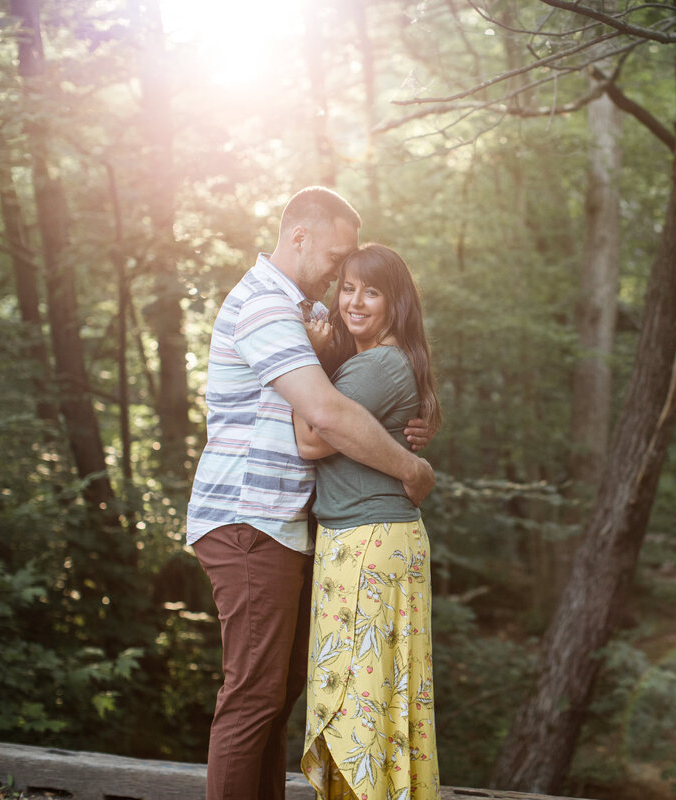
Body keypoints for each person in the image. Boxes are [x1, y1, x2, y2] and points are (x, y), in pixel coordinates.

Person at [186, 188, 435, 800]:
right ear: (298, 237)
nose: (340, 272)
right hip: (250, 519)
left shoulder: (300, 310)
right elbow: (323, 415)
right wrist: (409, 465)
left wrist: (406, 415)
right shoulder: (266, 307)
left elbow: (363, 375)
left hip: (283, 524)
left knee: (275, 695)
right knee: (254, 695)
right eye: (335, 256)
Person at [293, 244, 442, 800]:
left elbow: (312, 436)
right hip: (364, 539)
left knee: (360, 702)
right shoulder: (368, 363)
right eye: (348, 287)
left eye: (371, 291)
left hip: (368, 543)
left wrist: (300, 360)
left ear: (395, 303)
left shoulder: (379, 364)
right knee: (375, 698)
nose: (354, 301)